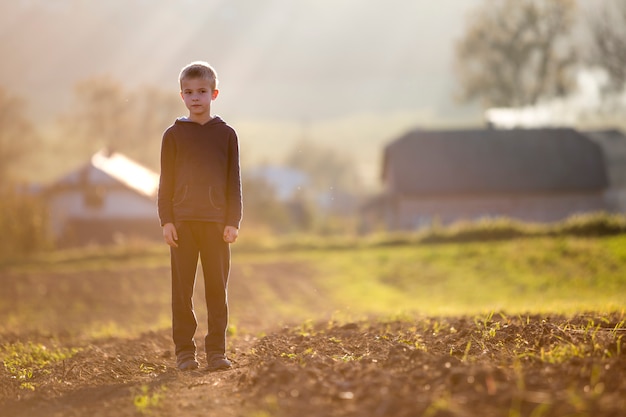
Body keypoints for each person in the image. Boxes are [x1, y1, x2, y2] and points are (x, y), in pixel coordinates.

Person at [157, 61, 242, 372]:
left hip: (217, 226)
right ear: (182, 96)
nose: (196, 98)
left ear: (214, 94)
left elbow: (233, 181)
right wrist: (166, 220)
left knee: (216, 291)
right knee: (181, 292)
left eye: (202, 92)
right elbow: (165, 182)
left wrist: (233, 221)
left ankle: (217, 352)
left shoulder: (227, 135)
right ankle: (184, 353)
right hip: (182, 225)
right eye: (189, 92)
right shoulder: (173, 136)